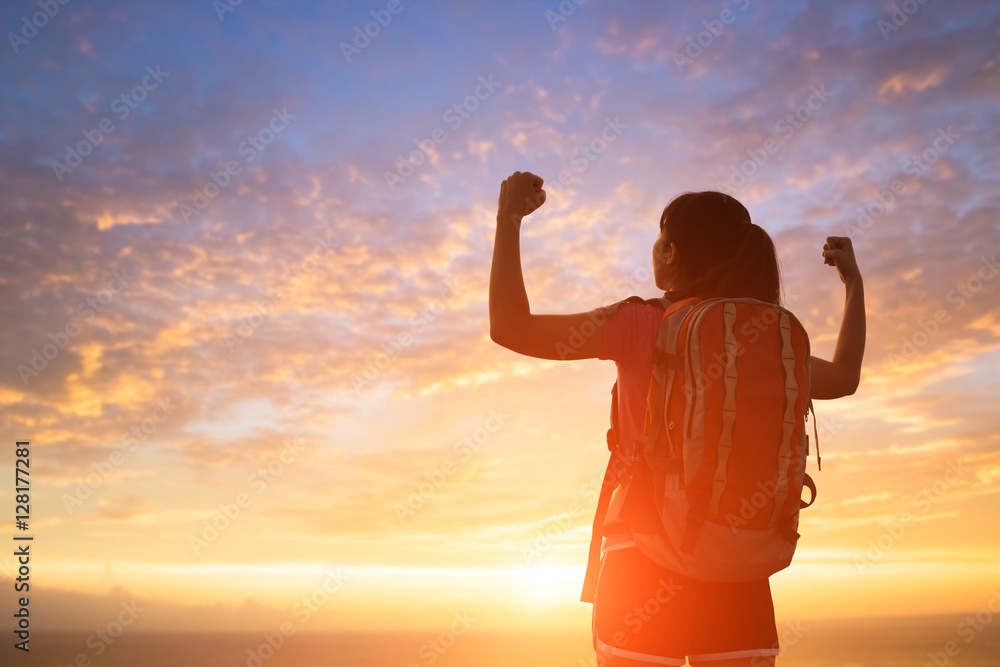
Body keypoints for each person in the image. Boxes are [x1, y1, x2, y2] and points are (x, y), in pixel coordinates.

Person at [489, 171, 866, 666]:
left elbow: (511, 328)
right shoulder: (762, 341)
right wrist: (854, 285)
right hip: (739, 563)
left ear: (670, 254)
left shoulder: (642, 322)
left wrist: (508, 220)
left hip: (643, 558)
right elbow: (843, 377)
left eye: (660, 237)